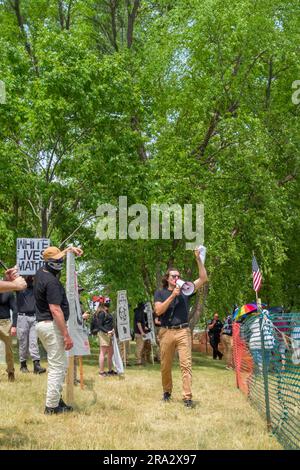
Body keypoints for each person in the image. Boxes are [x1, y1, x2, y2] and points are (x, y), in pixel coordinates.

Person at [154, 248, 208, 408]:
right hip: (166, 332)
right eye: (174, 276)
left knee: (186, 365)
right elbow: (158, 311)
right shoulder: (161, 293)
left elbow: (203, 278)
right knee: (166, 365)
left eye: (178, 276)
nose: (177, 278)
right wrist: (172, 296)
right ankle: (167, 392)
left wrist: (198, 260)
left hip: (183, 331)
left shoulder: (186, 290)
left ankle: (187, 397)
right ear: (167, 279)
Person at [34, 245, 83, 414]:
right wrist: (66, 334)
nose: (60, 261)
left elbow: (58, 254)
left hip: (43, 325)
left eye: (60, 258)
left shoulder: (40, 272)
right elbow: (55, 310)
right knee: (57, 367)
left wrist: (70, 249)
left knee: (59, 364)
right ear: (48, 262)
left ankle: (56, 399)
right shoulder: (52, 282)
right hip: (51, 325)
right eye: (57, 260)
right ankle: (51, 407)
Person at [16, 276, 46, 374]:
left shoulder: (36, 289)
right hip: (22, 318)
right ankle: (23, 365)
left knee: (34, 342)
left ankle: (36, 365)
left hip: (34, 318)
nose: (31, 277)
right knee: (23, 342)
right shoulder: (19, 288)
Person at [94, 296, 117, 377]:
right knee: (103, 353)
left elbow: (109, 323)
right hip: (103, 334)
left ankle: (110, 370)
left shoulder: (107, 312)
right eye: (107, 301)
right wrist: (107, 331)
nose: (109, 303)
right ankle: (101, 372)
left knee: (111, 353)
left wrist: (112, 330)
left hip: (110, 334)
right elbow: (99, 325)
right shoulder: (101, 313)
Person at [248, 309, 275, 374]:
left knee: (258, 356)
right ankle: (265, 370)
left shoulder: (257, 320)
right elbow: (272, 331)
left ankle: (261, 370)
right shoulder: (270, 322)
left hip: (256, 341)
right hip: (268, 342)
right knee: (266, 356)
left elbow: (251, 328)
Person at [0, 290, 17, 381]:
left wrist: (14, 325)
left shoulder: (8, 292)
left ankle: (10, 372)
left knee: (9, 350)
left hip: (5, 323)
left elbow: (15, 309)